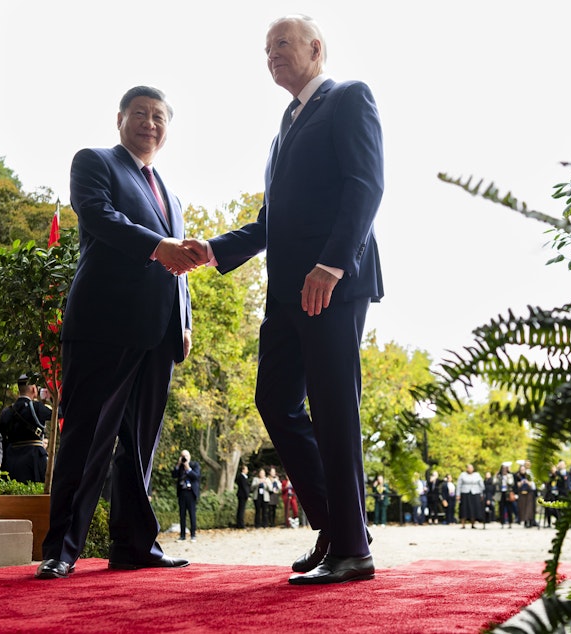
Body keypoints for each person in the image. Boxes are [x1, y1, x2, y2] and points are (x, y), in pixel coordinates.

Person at [187, 14, 383, 586]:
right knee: (274, 400)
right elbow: (271, 221)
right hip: (285, 293)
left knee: (334, 410)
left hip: (332, 283)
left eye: (281, 44)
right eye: (265, 48)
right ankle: (337, 526)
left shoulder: (349, 98)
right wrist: (213, 249)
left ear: (316, 48)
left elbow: (365, 184)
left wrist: (333, 263)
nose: (271, 54)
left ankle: (353, 551)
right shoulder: (284, 124)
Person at [35, 85, 198, 579]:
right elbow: (101, 218)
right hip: (104, 325)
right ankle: (61, 548)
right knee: (87, 437)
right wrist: (158, 246)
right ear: (121, 118)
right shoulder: (95, 162)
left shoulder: (168, 189)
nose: (151, 123)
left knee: (139, 447)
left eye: (159, 117)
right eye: (141, 114)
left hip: (159, 334)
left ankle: (133, 546)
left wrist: (184, 320)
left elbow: (180, 266)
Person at [0, 372, 52, 483]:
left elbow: (2, 438)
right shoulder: (37, 407)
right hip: (33, 459)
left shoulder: (7, 411)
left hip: (11, 460)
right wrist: (51, 398)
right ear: (33, 389)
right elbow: (60, 413)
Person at [172, 450, 200, 542]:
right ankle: (182, 536)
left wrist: (187, 467)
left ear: (190, 456)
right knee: (182, 515)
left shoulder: (194, 465)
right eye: (183, 456)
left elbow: (196, 476)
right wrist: (178, 464)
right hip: (182, 492)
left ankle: (193, 535)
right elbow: (173, 475)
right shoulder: (179, 466)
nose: (185, 457)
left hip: (191, 492)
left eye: (186, 455)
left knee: (192, 514)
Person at [455, 464, 484, 529]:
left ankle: (473, 523)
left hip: (475, 493)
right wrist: (458, 494)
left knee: (474, 509)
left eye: (471, 468)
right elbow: (459, 485)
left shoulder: (477, 475)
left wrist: (482, 494)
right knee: (464, 508)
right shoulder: (462, 475)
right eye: (469, 468)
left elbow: (481, 485)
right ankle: (463, 524)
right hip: (465, 493)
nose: (470, 469)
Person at [235, 464, 251, 529]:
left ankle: (239, 523)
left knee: (240, 509)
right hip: (242, 495)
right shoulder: (242, 477)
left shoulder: (242, 477)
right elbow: (245, 487)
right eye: (246, 469)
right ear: (243, 470)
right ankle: (241, 524)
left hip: (241, 494)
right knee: (241, 510)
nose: (247, 470)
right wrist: (248, 496)